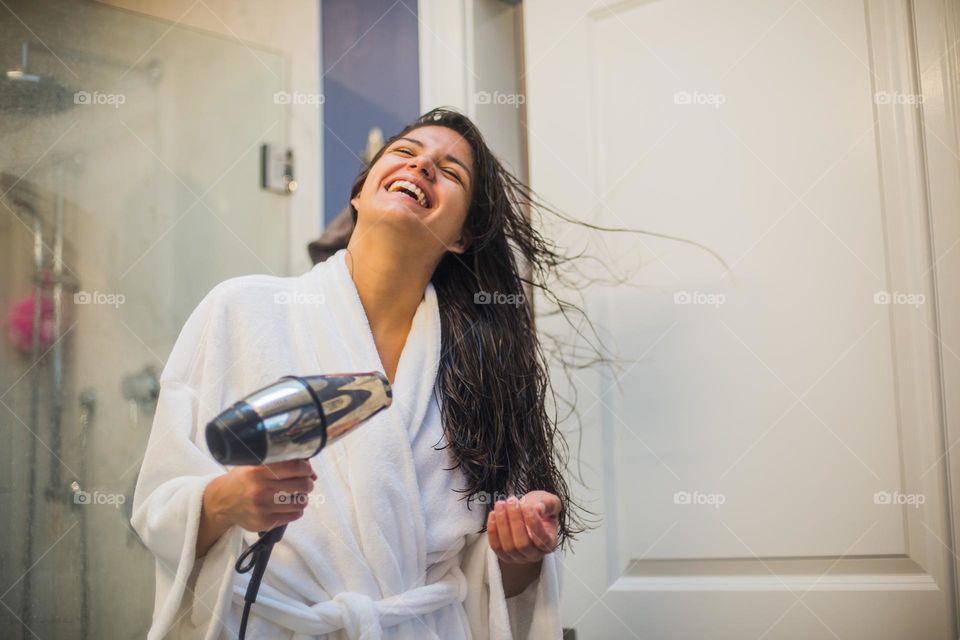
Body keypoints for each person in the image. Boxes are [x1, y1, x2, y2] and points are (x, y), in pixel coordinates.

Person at [131, 107, 592, 639]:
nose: (421, 167)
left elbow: (486, 580)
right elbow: (159, 504)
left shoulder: (476, 367)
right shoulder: (241, 312)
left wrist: (520, 549)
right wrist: (226, 500)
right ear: (359, 192)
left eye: (450, 171)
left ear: (463, 235)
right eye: (405, 153)